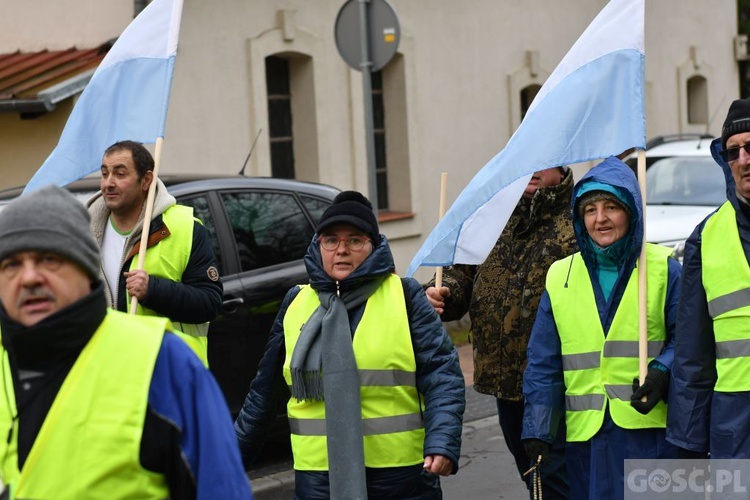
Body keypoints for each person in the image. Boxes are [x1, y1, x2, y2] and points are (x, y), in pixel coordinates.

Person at [0, 185, 252, 498]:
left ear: (87, 269)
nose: (29, 278)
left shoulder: (162, 362)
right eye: (11, 264)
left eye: (50, 259)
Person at [234, 191, 465, 499]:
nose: (341, 250)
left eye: (354, 240)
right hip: (318, 475)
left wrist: (442, 441)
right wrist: (229, 459)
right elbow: (264, 392)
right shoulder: (297, 302)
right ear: (318, 246)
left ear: (372, 246)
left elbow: (442, 376)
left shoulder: (405, 296)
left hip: (399, 474)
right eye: (331, 240)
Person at [522, 157, 684, 500]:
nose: (601, 219)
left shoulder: (663, 269)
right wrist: (538, 428)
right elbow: (543, 363)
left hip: (649, 431)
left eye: (612, 206)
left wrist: (661, 370)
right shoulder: (560, 276)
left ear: (632, 212)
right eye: (590, 209)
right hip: (587, 440)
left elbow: (687, 339)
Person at [425, 166, 575, 498]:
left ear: (563, 166)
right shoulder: (493, 217)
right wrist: (442, 292)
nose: (532, 170)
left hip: (556, 384)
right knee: (531, 475)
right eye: (527, 159)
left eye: (544, 160)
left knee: (558, 478)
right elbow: (460, 274)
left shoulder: (576, 219)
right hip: (504, 383)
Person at [86, 140, 222, 365]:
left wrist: (153, 290)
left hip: (169, 372)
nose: (108, 183)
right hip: (104, 374)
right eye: (104, 173)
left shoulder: (184, 228)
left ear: (146, 180)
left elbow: (210, 303)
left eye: (120, 174)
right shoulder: (82, 232)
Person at [668, 97, 750, 458]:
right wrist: (688, 442)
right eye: (733, 152)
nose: (744, 161)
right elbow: (693, 353)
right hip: (735, 427)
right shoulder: (707, 237)